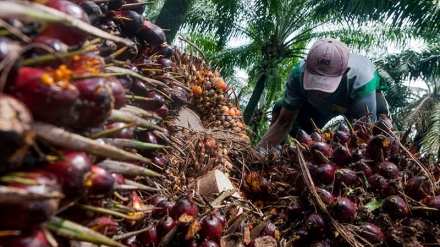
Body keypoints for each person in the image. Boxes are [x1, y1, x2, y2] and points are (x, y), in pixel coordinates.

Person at [257, 38, 393, 150]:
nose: (319, 91)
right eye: (315, 80)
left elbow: (363, 136)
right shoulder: (297, 75)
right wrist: (257, 153)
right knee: (281, 109)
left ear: (345, 73)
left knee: (381, 127)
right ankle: (276, 156)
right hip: (318, 108)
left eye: (325, 82)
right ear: (306, 66)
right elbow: (282, 124)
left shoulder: (361, 81)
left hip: (356, 99)